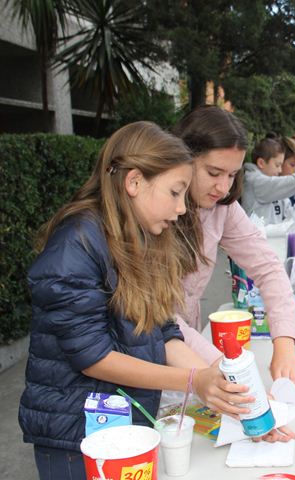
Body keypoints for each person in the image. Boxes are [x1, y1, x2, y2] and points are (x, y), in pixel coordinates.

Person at [19, 122, 276, 480]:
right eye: (174, 193)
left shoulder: (141, 236)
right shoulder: (75, 245)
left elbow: (164, 329)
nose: (182, 209)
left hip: (122, 424)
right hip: (73, 437)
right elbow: (93, 358)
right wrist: (193, 380)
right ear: (135, 182)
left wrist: (215, 380)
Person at [173, 106, 295, 386]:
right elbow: (161, 319)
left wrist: (283, 344)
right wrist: (222, 367)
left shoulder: (222, 207)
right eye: (213, 172)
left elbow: (268, 267)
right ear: (183, 158)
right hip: (152, 347)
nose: (222, 186)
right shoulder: (156, 211)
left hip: (185, 338)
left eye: (232, 175)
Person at [241, 136, 295, 224]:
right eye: (277, 165)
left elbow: (289, 214)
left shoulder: (275, 186)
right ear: (261, 163)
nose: (280, 170)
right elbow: (294, 181)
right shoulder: (256, 182)